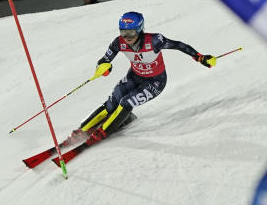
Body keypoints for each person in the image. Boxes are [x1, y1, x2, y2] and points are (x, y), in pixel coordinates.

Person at [76, 11, 215, 142]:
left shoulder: (154, 40)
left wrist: (199, 57)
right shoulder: (119, 42)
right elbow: (104, 60)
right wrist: (103, 67)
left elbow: (178, 45)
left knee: (126, 102)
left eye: (130, 32)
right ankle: (82, 130)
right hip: (134, 76)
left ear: (140, 29)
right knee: (111, 104)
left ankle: (102, 133)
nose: (126, 37)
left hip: (155, 82)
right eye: (123, 32)